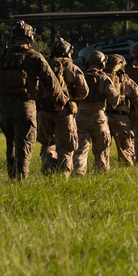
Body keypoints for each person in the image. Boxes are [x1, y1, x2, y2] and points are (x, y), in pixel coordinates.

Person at [0, 21, 67, 181]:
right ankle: (20, 181)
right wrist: (60, 100)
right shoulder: (34, 57)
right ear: (30, 37)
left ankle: (12, 178)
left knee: (11, 144)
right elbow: (50, 80)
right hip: (26, 106)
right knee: (25, 145)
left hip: (6, 109)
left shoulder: (0, 58)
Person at [38, 38, 88, 175]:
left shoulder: (44, 66)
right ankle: (63, 176)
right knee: (66, 147)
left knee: (48, 144)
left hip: (45, 111)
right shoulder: (72, 68)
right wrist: (71, 98)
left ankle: (48, 167)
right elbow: (84, 91)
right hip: (65, 113)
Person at [75, 50, 123, 174]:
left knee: (80, 150)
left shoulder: (81, 75)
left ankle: (78, 174)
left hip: (80, 117)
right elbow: (114, 100)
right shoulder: (104, 78)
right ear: (102, 64)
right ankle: (101, 176)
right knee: (102, 152)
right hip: (98, 118)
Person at [106, 53, 138, 167]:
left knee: (102, 151)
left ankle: (101, 173)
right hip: (121, 118)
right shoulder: (126, 80)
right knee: (125, 152)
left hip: (102, 116)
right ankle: (126, 175)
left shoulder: (102, 77)